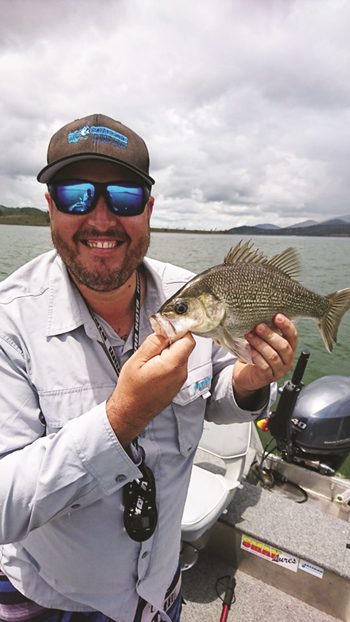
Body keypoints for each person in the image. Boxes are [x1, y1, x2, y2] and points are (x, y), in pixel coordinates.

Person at [0, 113, 298, 622]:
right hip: (48, 597)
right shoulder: (10, 321)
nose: (100, 219)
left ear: (149, 210)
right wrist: (120, 421)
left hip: (159, 591)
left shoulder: (192, 293)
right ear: (49, 207)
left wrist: (249, 383)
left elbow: (218, 397)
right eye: (76, 195)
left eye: (124, 198)